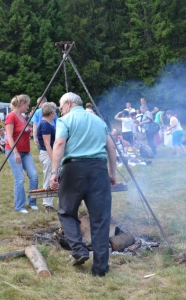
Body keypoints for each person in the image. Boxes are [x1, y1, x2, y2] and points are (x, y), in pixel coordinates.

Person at [49, 92, 116, 277]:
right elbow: (111, 147)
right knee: (101, 218)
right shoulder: (98, 121)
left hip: (74, 170)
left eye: (61, 108)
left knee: (66, 212)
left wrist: (54, 172)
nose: (60, 112)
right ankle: (100, 268)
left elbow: (60, 142)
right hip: (99, 170)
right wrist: (112, 173)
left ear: (68, 104)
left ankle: (79, 250)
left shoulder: (66, 120)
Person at [5, 94, 38, 213]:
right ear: (21, 104)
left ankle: (32, 201)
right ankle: (19, 206)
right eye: (27, 105)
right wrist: (16, 153)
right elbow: (9, 136)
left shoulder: (23, 117)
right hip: (14, 151)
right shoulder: (10, 117)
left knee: (34, 176)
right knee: (19, 179)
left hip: (26, 152)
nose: (28, 107)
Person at [36, 102, 57, 213]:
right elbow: (47, 143)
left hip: (50, 153)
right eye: (54, 111)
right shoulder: (45, 124)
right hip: (47, 153)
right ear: (50, 112)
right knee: (49, 177)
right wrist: (54, 159)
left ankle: (53, 202)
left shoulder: (49, 123)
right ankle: (48, 206)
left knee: (54, 178)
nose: (55, 113)